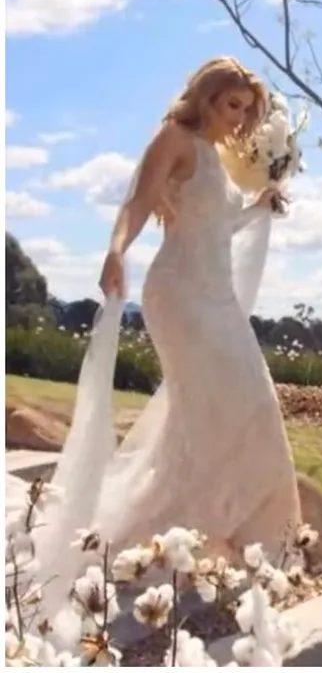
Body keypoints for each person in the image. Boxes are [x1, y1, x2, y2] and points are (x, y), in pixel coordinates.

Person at [6, 57, 303, 622]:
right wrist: (116, 250)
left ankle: (212, 547)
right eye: (228, 104)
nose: (237, 116)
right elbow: (136, 202)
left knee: (247, 409)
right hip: (180, 297)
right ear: (205, 98)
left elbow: (215, 228)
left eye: (245, 108)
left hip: (217, 300)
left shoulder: (215, 157)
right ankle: (175, 547)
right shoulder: (176, 138)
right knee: (212, 414)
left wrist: (261, 203)